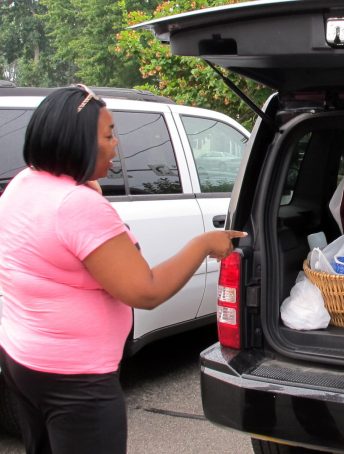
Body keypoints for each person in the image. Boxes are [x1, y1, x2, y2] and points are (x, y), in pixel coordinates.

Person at [0, 85, 247, 454]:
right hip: (76, 381)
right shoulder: (77, 207)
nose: (117, 144)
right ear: (77, 141)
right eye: (109, 134)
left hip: (23, 363)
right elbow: (144, 291)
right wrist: (203, 244)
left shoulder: (26, 184)